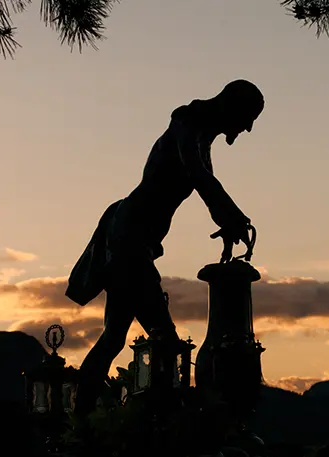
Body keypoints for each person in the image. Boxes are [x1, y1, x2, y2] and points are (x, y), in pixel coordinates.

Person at [65, 80, 265, 416]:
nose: (247, 128)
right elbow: (199, 177)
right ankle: (158, 420)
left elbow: (206, 184)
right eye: (248, 118)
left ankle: (81, 420)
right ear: (232, 107)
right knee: (166, 341)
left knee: (114, 337)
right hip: (129, 238)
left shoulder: (201, 137)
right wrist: (230, 216)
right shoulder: (187, 125)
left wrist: (226, 222)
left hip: (133, 238)